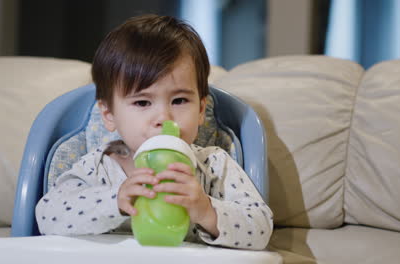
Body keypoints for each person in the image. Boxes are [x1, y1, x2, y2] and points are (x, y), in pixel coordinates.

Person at [35, 14, 273, 250]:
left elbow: (261, 228)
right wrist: (114, 201)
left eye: (179, 100)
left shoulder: (213, 167)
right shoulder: (100, 167)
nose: (164, 118)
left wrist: (207, 211)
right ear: (109, 115)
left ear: (201, 110)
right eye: (142, 103)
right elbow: (47, 216)